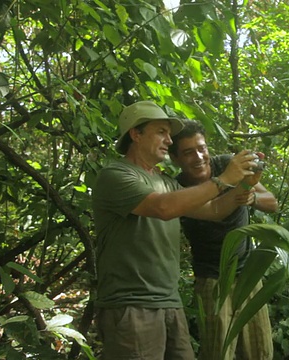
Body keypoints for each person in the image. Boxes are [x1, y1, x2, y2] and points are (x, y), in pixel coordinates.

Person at [91, 100, 259, 360]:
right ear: (136, 134)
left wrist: (245, 185)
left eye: (168, 133)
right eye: (161, 132)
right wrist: (223, 179)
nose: (169, 140)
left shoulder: (165, 181)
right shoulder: (117, 175)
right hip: (132, 305)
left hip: (169, 303)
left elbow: (213, 210)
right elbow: (162, 208)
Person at [169, 120, 278, 360]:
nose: (199, 157)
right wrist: (238, 186)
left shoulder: (226, 164)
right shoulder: (178, 189)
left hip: (248, 275)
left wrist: (252, 197)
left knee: (260, 353)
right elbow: (215, 209)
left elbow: (271, 202)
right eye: (188, 152)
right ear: (175, 158)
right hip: (212, 280)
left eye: (202, 148)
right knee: (219, 353)